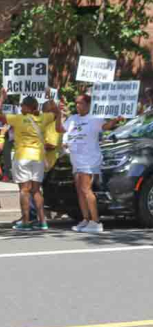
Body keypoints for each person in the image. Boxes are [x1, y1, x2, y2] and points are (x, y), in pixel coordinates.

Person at [56, 94, 122, 234]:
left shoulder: (94, 118)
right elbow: (60, 129)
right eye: (76, 103)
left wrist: (115, 120)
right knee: (80, 190)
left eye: (80, 103)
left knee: (86, 189)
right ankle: (86, 219)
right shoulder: (73, 118)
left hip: (89, 159)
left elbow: (106, 126)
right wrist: (57, 114)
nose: (77, 105)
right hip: (76, 159)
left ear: (88, 104)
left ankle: (96, 222)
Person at [0, 89, 60, 231]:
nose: (20, 108)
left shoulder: (18, 119)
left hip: (22, 157)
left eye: (22, 106)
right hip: (37, 158)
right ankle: (43, 221)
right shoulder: (44, 118)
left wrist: (1, 98)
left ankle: (25, 222)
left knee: (24, 190)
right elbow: (57, 112)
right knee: (36, 190)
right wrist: (50, 97)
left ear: (29, 107)